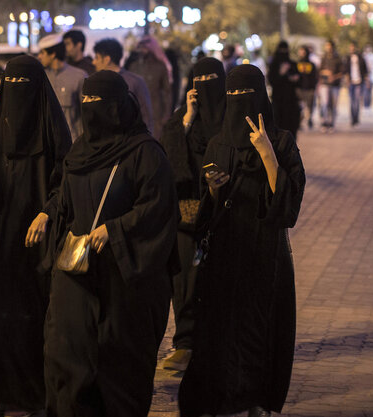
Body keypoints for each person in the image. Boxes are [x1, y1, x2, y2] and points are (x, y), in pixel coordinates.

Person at [28, 70, 178, 416]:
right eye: (86, 102)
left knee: (118, 362)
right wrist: (48, 213)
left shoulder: (145, 153)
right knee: (66, 352)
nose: (90, 109)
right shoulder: (80, 150)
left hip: (124, 278)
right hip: (77, 271)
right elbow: (65, 195)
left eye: (99, 103)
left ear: (119, 106)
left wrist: (116, 229)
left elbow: (158, 208)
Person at [178, 64, 305, 417]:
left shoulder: (281, 141)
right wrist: (214, 191)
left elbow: (288, 208)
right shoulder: (219, 142)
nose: (239, 104)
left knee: (259, 331)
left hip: (265, 254)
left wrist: (267, 155)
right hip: (225, 252)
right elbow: (209, 209)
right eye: (232, 96)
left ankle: (256, 401)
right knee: (220, 330)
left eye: (246, 95)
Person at [0, 55, 72, 417]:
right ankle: (2, 389)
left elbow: (67, 180)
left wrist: (48, 210)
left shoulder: (53, 132)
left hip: (37, 243)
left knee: (34, 317)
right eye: (9, 86)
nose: (16, 94)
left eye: (23, 86)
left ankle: (33, 396)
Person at [159, 57, 227, 372]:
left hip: (226, 211)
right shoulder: (180, 121)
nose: (204, 88)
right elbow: (171, 163)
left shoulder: (232, 118)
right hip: (187, 215)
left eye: (212, 80)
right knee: (184, 280)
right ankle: (184, 343)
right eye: (198, 82)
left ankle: (218, 344)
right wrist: (188, 118)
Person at [92, 37, 154, 133]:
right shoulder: (95, 83)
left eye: (97, 57)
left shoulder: (135, 81)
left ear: (107, 59)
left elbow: (146, 115)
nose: (94, 62)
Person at [38, 33, 87, 140]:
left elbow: (86, 112)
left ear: (53, 54)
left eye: (42, 52)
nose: (39, 56)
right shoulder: (41, 77)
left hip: (72, 142)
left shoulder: (78, 76)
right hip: (49, 143)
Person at [126, 35, 172, 139]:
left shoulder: (160, 66)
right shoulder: (134, 66)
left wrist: (166, 115)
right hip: (137, 114)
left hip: (155, 113)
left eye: (145, 46)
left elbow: (167, 92)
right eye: (141, 46)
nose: (142, 49)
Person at [268, 41, 301, 139]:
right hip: (278, 99)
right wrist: (281, 73)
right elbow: (272, 80)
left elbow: (298, 80)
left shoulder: (292, 63)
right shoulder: (274, 65)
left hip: (291, 100)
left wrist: (295, 78)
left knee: (291, 125)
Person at [318, 41, 343, 133]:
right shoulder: (323, 58)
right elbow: (320, 70)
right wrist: (326, 73)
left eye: (329, 46)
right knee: (324, 104)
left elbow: (342, 72)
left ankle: (332, 123)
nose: (328, 47)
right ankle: (324, 123)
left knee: (333, 105)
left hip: (335, 85)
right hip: (325, 84)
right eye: (326, 46)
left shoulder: (338, 58)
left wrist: (334, 77)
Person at [344, 44, 368, 127]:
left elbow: (365, 70)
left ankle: (356, 118)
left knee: (357, 101)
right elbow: (346, 70)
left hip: (359, 82)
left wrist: (366, 80)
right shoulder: (347, 58)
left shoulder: (361, 58)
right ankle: (352, 119)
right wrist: (347, 80)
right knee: (351, 101)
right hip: (351, 82)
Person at [295, 45, 318, 129]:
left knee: (309, 107)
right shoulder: (297, 64)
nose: (302, 53)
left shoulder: (311, 65)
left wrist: (314, 88)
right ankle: (300, 122)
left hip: (309, 89)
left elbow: (315, 77)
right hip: (299, 89)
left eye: (303, 52)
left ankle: (309, 120)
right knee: (299, 107)